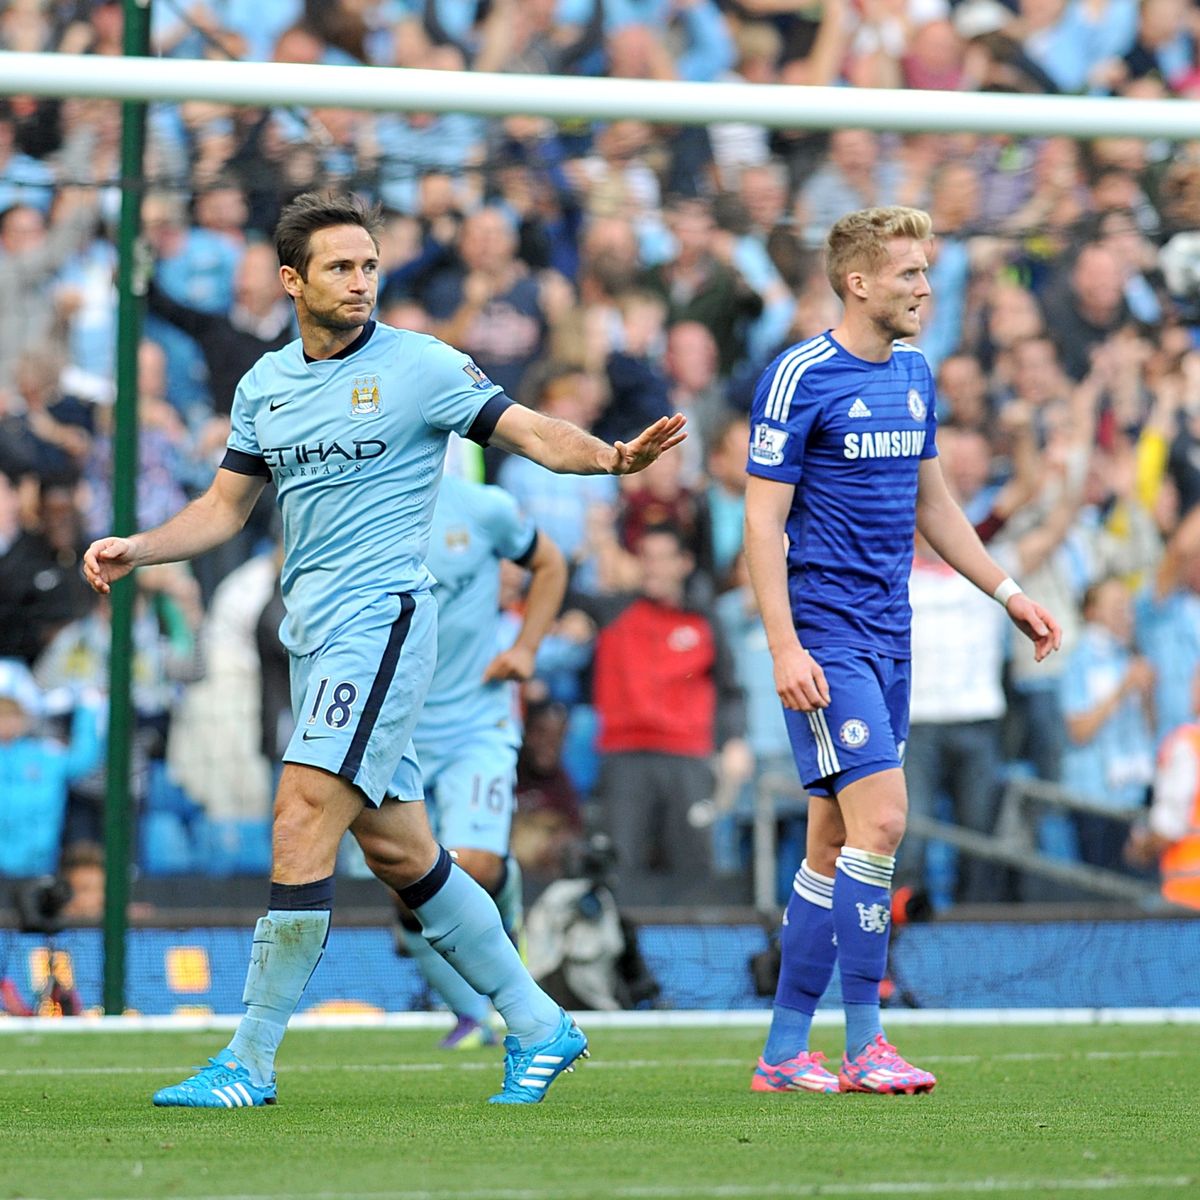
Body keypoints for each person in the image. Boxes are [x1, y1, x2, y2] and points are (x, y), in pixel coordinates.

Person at [83, 191, 685, 1108]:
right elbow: (223, 509)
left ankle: (248, 1058)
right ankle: (540, 1025)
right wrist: (140, 545)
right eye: (340, 267)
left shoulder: (422, 366)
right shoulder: (264, 386)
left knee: (298, 818)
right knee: (404, 855)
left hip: (384, 622)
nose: (361, 281)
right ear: (292, 281)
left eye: (369, 265)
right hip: (313, 638)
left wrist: (608, 458)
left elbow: (527, 431)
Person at [742, 205, 1060, 1096]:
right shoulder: (799, 376)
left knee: (830, 844)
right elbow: (761, 523)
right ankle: (867, 1040)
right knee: (883, 822)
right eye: (911, 274)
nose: (925, 288)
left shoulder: (914, 373)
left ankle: (780, 1053)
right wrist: (784, 647)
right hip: (827, 637)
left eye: (926, 272)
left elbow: (936, 508)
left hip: (891, 636)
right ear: (859, 283)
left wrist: (1006, 593)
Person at [397, 472, 568, 1050]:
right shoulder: (361, 503)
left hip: (477, 720)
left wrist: (524, 648)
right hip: (397, 726)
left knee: (474, 866)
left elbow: (552, 565)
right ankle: (472, 1012)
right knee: (406, 879)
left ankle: (506, 908)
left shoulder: (481, 507)